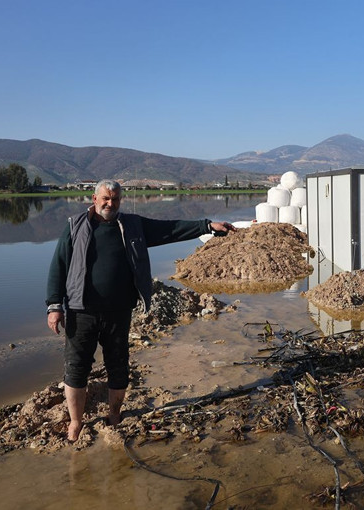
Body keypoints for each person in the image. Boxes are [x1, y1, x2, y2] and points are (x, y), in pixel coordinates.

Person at [46, 179, 234, 441]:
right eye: (106, 199)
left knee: (118, 365)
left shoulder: (132, 225)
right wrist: (54, 307)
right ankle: (76, 422)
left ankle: (114, 414)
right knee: (76, 368)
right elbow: (58, 267)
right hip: (81, 310)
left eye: (115, 199)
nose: (111, 204)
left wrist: (207, 226)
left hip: (119, 311)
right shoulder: (74, 226)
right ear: (94, 198)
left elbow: (170, 229)